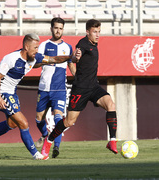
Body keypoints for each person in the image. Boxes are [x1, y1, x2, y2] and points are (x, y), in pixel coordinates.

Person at [0, 34, 81, 160]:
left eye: (38, 47)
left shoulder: (35, 57)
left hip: (12, 93)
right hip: (3, 93)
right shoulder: (11, 58)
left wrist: (71, 57)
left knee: (12, 123)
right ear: (26, 47)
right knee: (23, 123)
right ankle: (35, 154)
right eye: (35, 48)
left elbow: (54, 59)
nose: (37, 50)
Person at [41, 19, 118, 158]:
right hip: (80, 89)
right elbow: (76, 56)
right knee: (69, 122)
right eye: (94, 32)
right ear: (87, 32)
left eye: (99, 32)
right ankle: (49, 140)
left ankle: (112, 140)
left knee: (111, 105)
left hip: (93, 86)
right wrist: (76, 57)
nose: (97, 34)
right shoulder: (83, 44)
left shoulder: (95, 44)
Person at [34, 17, 76, 158]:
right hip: (44, 88)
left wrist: (78, 79)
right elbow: (35, 63)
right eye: (56, 28)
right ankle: (45, 135)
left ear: (63, 30)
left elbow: (71, 65)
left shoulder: (68, 47)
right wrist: (49, 60)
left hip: (60, 89)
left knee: (59, 117)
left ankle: (56, 146)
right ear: (51, 28)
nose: (58, 31)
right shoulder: (44, 45)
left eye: (61, 28)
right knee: (38, 119)